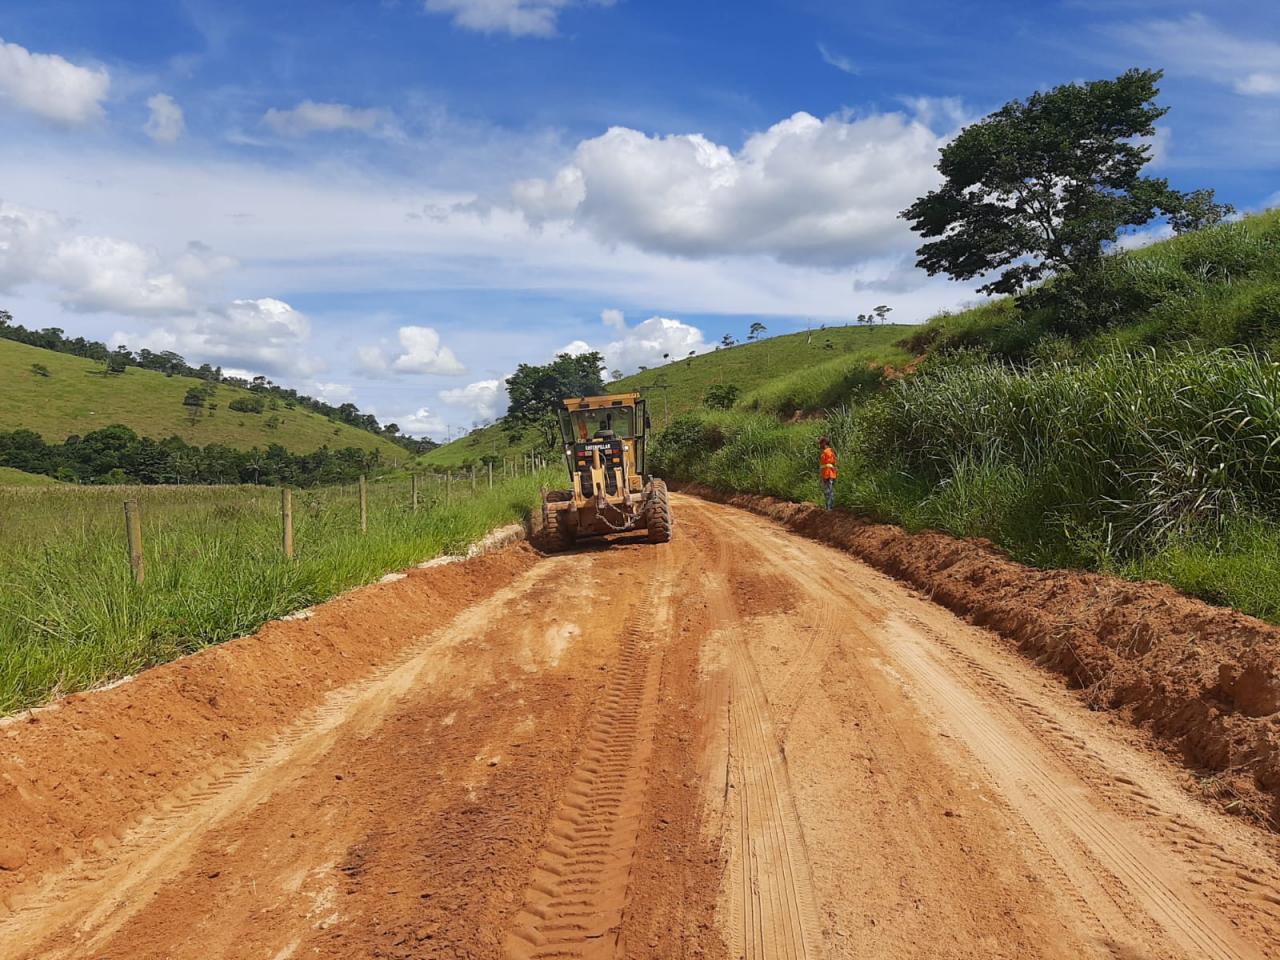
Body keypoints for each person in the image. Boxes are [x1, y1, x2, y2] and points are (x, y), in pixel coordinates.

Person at [818, 436, 837, 510]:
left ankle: (829, 508)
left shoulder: (827, 452)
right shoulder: (830, 451)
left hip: (828, 474)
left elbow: (828, 464)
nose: (820, 445)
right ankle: (829, 507)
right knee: (829, 491)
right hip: (828, 474)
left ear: (824, 443)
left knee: (828, 491)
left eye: (821, 443)